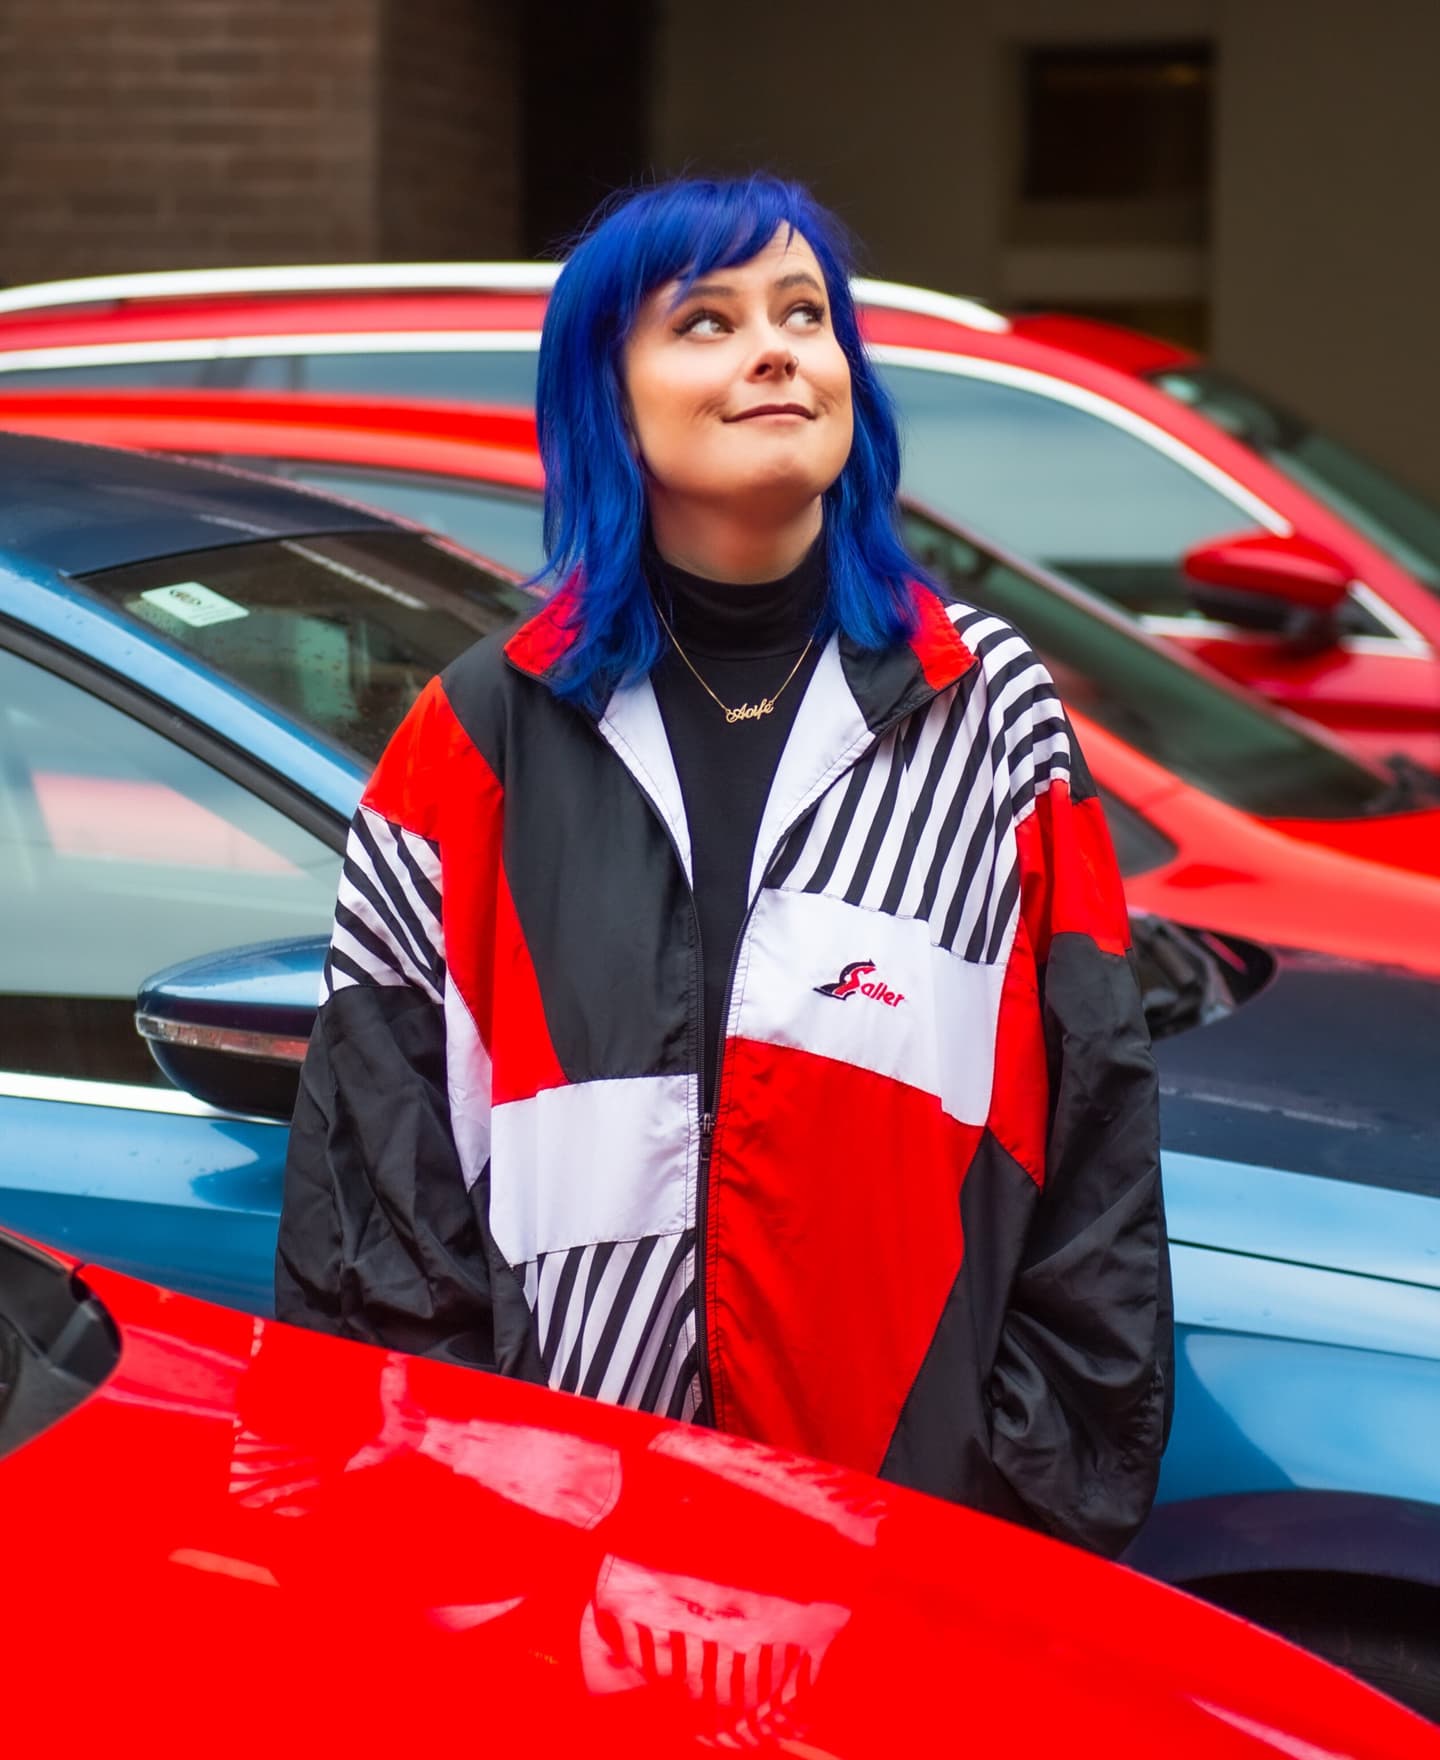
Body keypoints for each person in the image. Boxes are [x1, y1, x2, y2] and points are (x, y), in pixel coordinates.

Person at [276, 175, 1172, 1556]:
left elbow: (1095, 1138)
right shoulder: (478, 737)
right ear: (605, 398)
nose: (776, 348)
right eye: (707, 320)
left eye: (804, 314)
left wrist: (1013, 1498)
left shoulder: (984, 709)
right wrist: (459, 1536)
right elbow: (380, 1194)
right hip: (557, 1559)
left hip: (910, 1551)